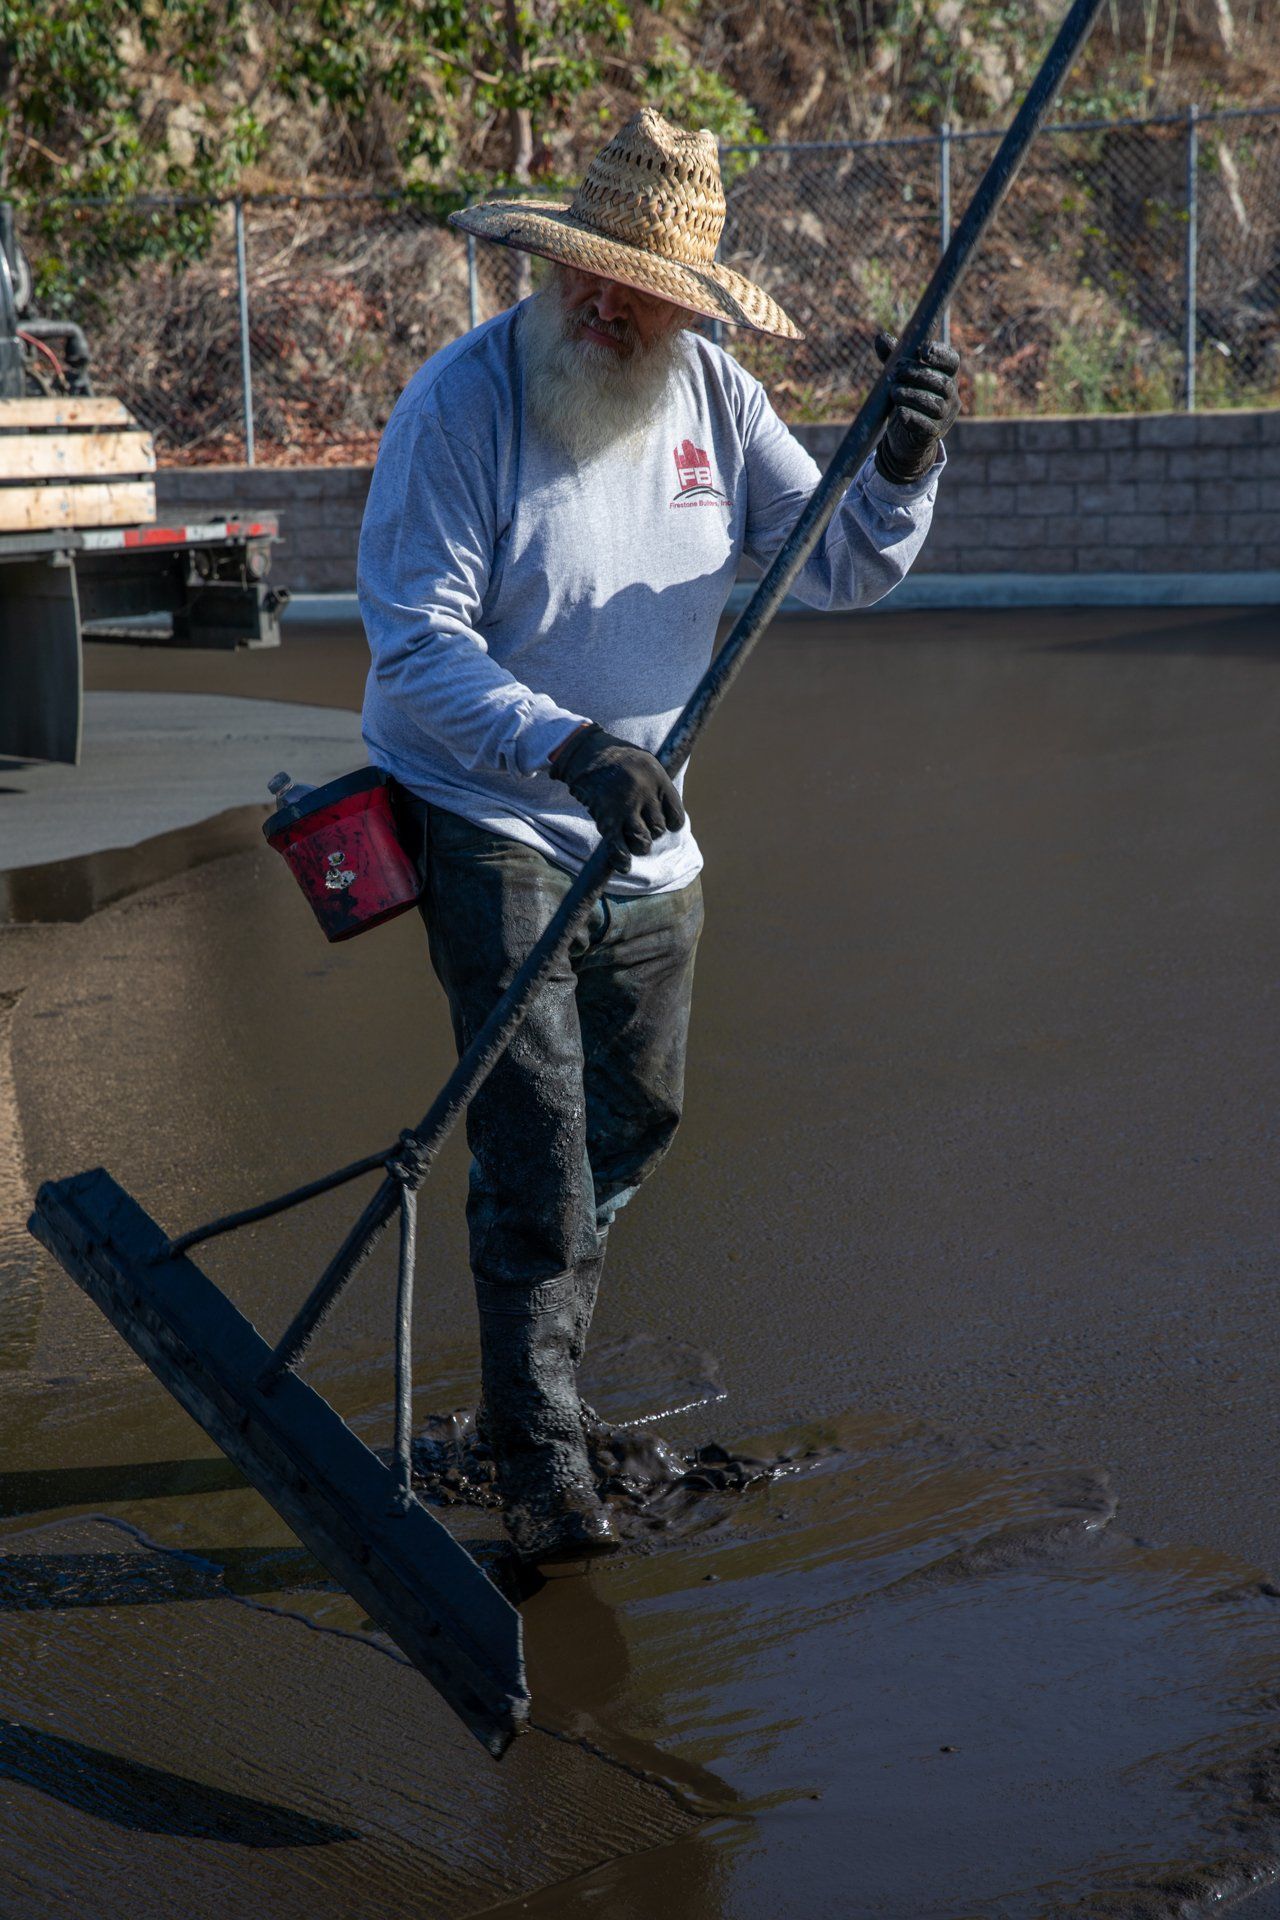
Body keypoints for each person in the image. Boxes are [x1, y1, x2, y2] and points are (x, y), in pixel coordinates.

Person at [358, 107, 960, 1561]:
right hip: (490, 800)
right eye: (596, 284)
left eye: (652, 298)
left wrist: (897, 469)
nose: (618, 313)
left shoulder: (713, 397)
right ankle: (537, 1455)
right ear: (560, 274)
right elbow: (413, 645)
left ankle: (536, 1331)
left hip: (647, 829)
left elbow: (836, 568)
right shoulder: (463, 408)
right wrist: (569, 748)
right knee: (538, 1138)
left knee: (630, 1120)